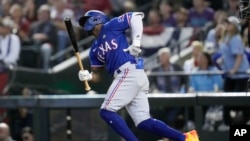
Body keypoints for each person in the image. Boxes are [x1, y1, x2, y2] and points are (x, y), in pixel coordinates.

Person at [77, 10, 199, 141]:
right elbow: (97, 76)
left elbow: (136, 17)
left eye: (87, 20)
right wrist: (88, 76)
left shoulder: (110, 26)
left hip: (129, 72)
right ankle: (186, 138)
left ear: (97, 19)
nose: (85, 24)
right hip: (129, 76)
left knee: (106, 111)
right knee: (143, 121)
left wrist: (136, 43)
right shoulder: (94, 49)